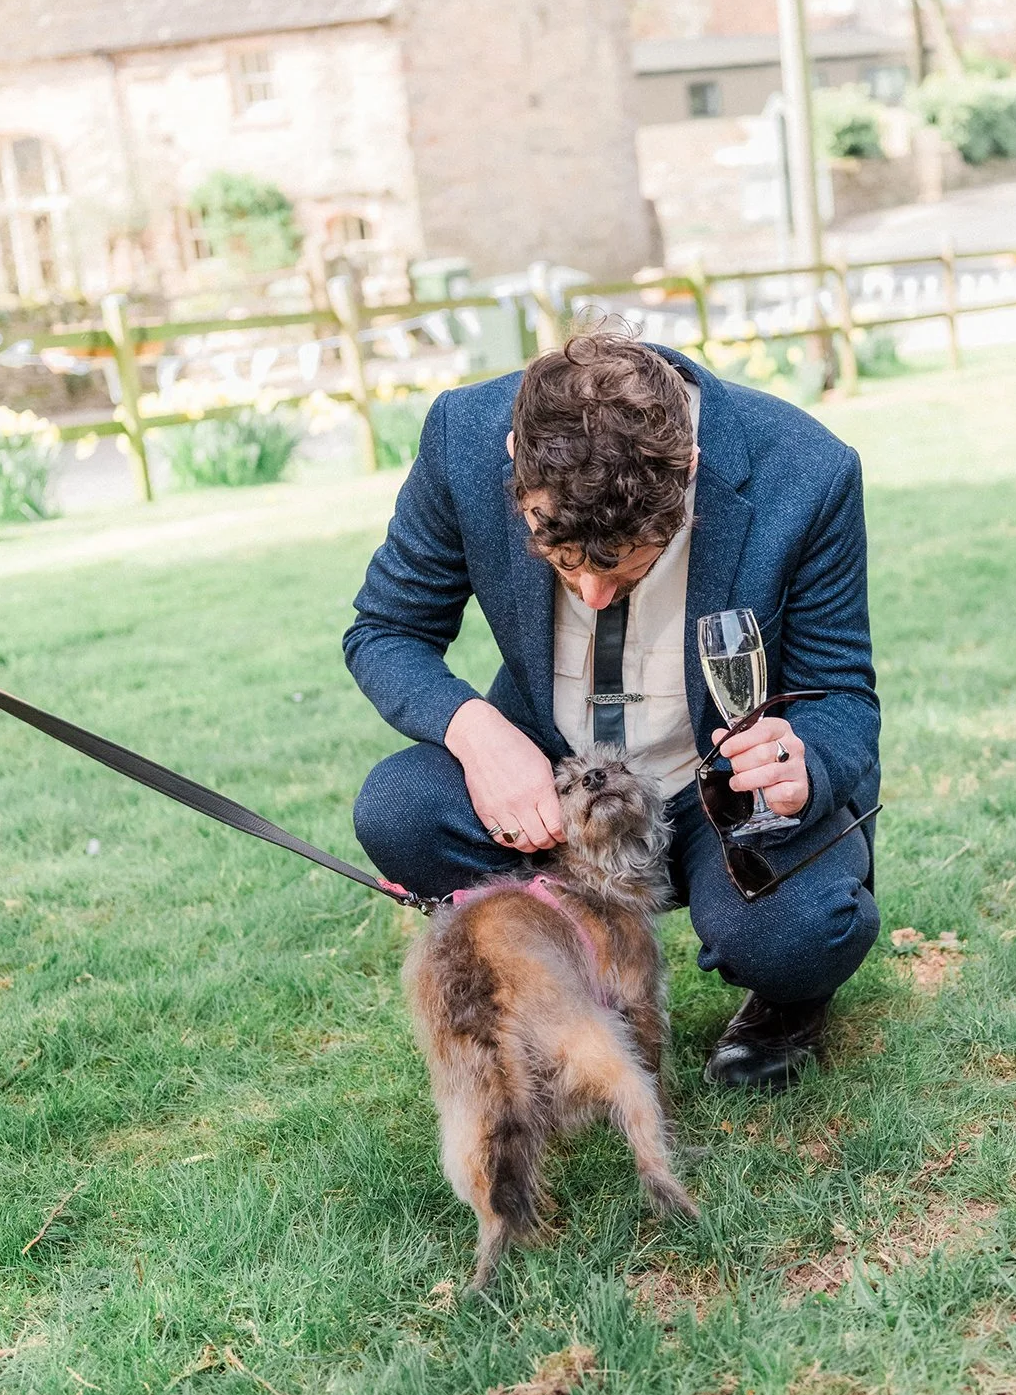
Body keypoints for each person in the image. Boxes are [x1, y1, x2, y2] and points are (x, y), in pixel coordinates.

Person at [344, 329, 880, 1090]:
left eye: (624, 570)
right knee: (400, 809)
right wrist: (478, 732)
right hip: (554, 782)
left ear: (688, 474)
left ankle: (786, 1003)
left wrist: (805, 765)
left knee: (793, 935)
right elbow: (385, 629)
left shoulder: (808, 469)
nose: (591, 596)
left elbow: (843, 694)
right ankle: (562, 980)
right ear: (512, 458)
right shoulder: (463, 437)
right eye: (560, 563)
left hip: (716, 792)